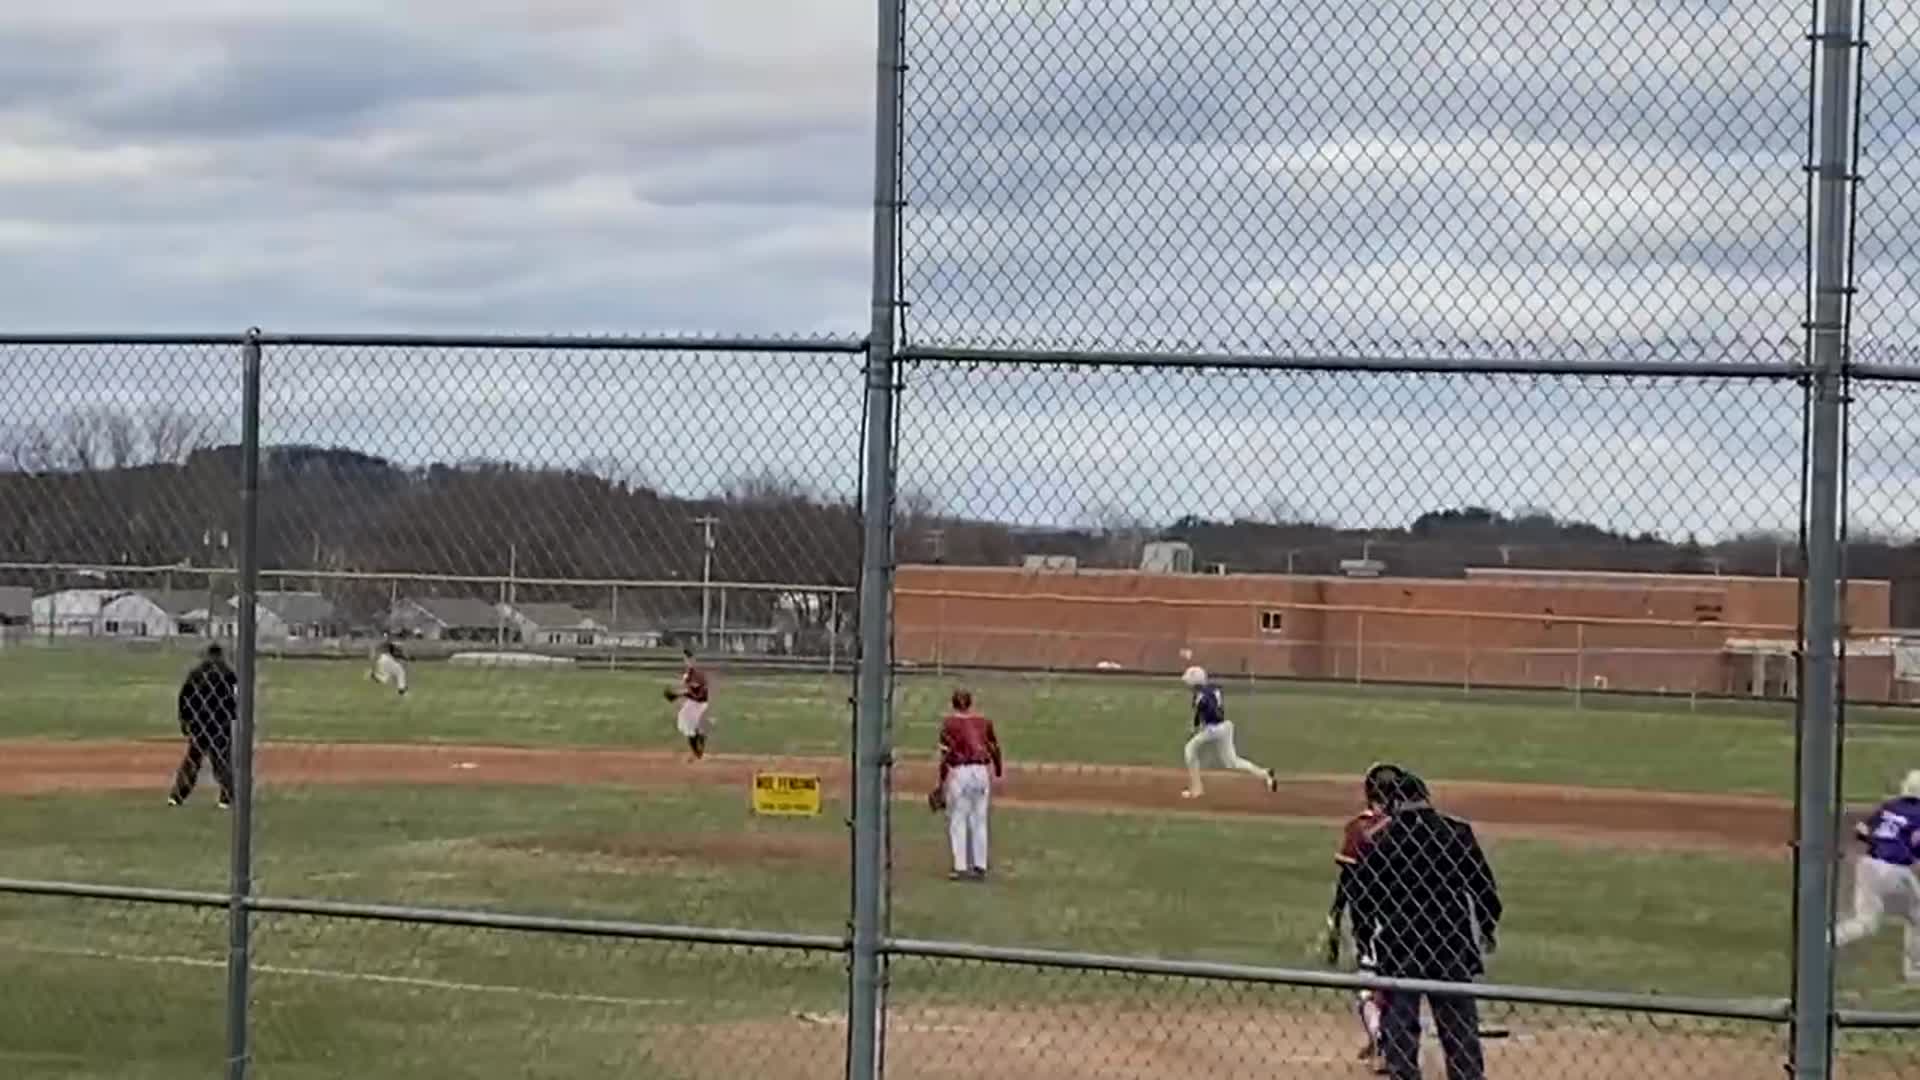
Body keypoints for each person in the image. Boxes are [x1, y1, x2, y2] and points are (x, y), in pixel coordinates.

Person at [1351, 767, 1502, 1080]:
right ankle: (1467, 1074)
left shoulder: (1381, 839)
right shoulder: (1456, 833)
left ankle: (1403, 1072)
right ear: (1426, 798)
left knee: (1400, 1017)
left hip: (1400, 940)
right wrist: (1488, 924)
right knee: (1458, 1021)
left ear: (1393, 802)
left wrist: (1364, 935)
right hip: (1449, 938)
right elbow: (1483, 886)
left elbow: (1363, 895)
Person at [1326, 763, 1405, 1075]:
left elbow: (1347, 880)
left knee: (1368, 982)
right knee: (1399, 982)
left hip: (1370, 919)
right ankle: (1388, 1040)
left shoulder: (1359, 828)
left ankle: (1383, 1040)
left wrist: (1334, 916)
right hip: (1408, 918)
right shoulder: (1411, 827)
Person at [1834, 769, 1920, 985]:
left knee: (1866, 922)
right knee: (1917, 916)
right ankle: (1915, 971)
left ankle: (1824, 941)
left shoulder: (1889, 807)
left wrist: (1882, 842)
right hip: (1894, 871)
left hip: (1867, 866)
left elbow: (1861, 830)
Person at [1177, 665, 1277, 799]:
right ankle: (1265, 774)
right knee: (1232, 762)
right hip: (1225, 727)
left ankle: (1197, 789)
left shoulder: (1200, 696)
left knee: (1189, 750)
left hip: (1213, 730)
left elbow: (1203, 712)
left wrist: (1196, 727)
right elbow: (1211, 707)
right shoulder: (1213, 688)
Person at [935, 689, 1003, 882]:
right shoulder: (984, 722)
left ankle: (960, 867)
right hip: (982, 771)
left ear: (953, 704)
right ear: (970, 703)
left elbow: (946, 756)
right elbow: (995, 748)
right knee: (979, 820)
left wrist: (941, 784)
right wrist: (997, 771)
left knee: (958, 819)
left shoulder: (948, 724)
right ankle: (980, 866)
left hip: (961, 772)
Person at [168, 643, 237, 809]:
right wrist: (234, 715)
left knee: (192, 760)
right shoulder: (228, 674)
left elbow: (184, 698)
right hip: (221, 722)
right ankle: (226, 798)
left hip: (199, 724)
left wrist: (184, 720)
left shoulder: (196, 674)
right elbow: (235, 697)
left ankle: (177, 796)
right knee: (222, 761)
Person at [665, 649, 712, 760]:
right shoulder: (688, 674)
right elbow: (690, 690)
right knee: (686, 724)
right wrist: (678, 694)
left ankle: (698, 752)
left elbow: (698, 694)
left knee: (687, 725)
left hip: (699, 704)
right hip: (694, 703)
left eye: (690, 659)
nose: (688, 661)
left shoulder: (698, 674)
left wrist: (678, 695)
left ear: (694, 660)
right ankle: (699, 746)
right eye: (686, 659)